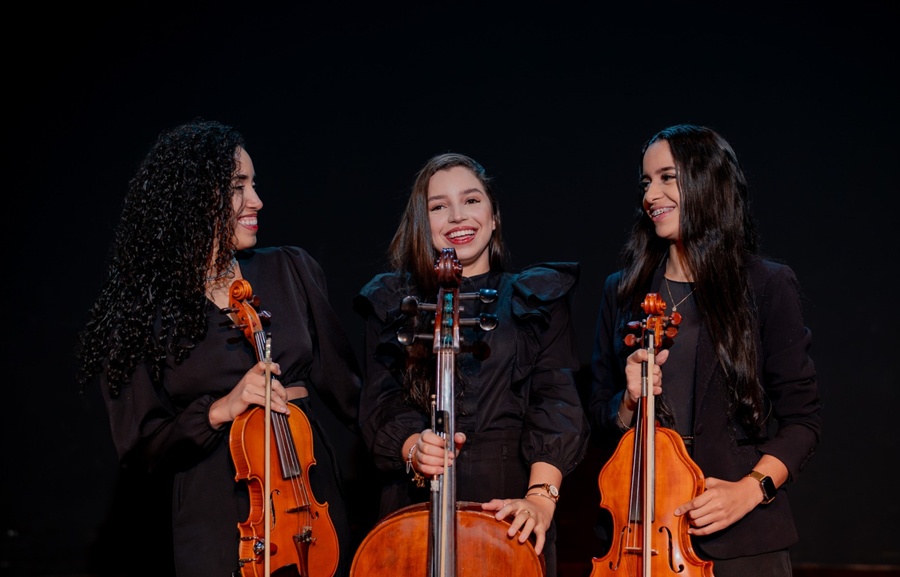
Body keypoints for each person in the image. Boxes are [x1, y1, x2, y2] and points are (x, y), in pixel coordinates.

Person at [75, 119, 364, 577]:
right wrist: (218, 410)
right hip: (214, 504)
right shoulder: (142, 311)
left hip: (307, 496)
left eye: (254, 183)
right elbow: (141, 448)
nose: (256, 201)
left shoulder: (291, 269)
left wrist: (409, 444)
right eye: (238, 187)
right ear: (192, 199)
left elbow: (351, 395)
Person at [588, 123, 822, 576]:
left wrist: (751, 490)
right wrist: (628, 403)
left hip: (742, 536)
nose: (651, 195)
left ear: (708, 182)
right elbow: (598, 417)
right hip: (639, 532)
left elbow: (804, 421)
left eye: (667, 177)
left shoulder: (767, 285)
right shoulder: (623, 291)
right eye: (645, 182)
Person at [352, 152, 590, 577]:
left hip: (510, 502)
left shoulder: (536, 297)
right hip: (413, 502)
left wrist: (539, 498)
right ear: (422, 225)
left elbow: (556, 403)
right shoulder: (393, 301)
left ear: (494, 216)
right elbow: (378, 404)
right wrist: (414, 448)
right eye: (438, 206)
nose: (457, 216)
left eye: (472, 200)